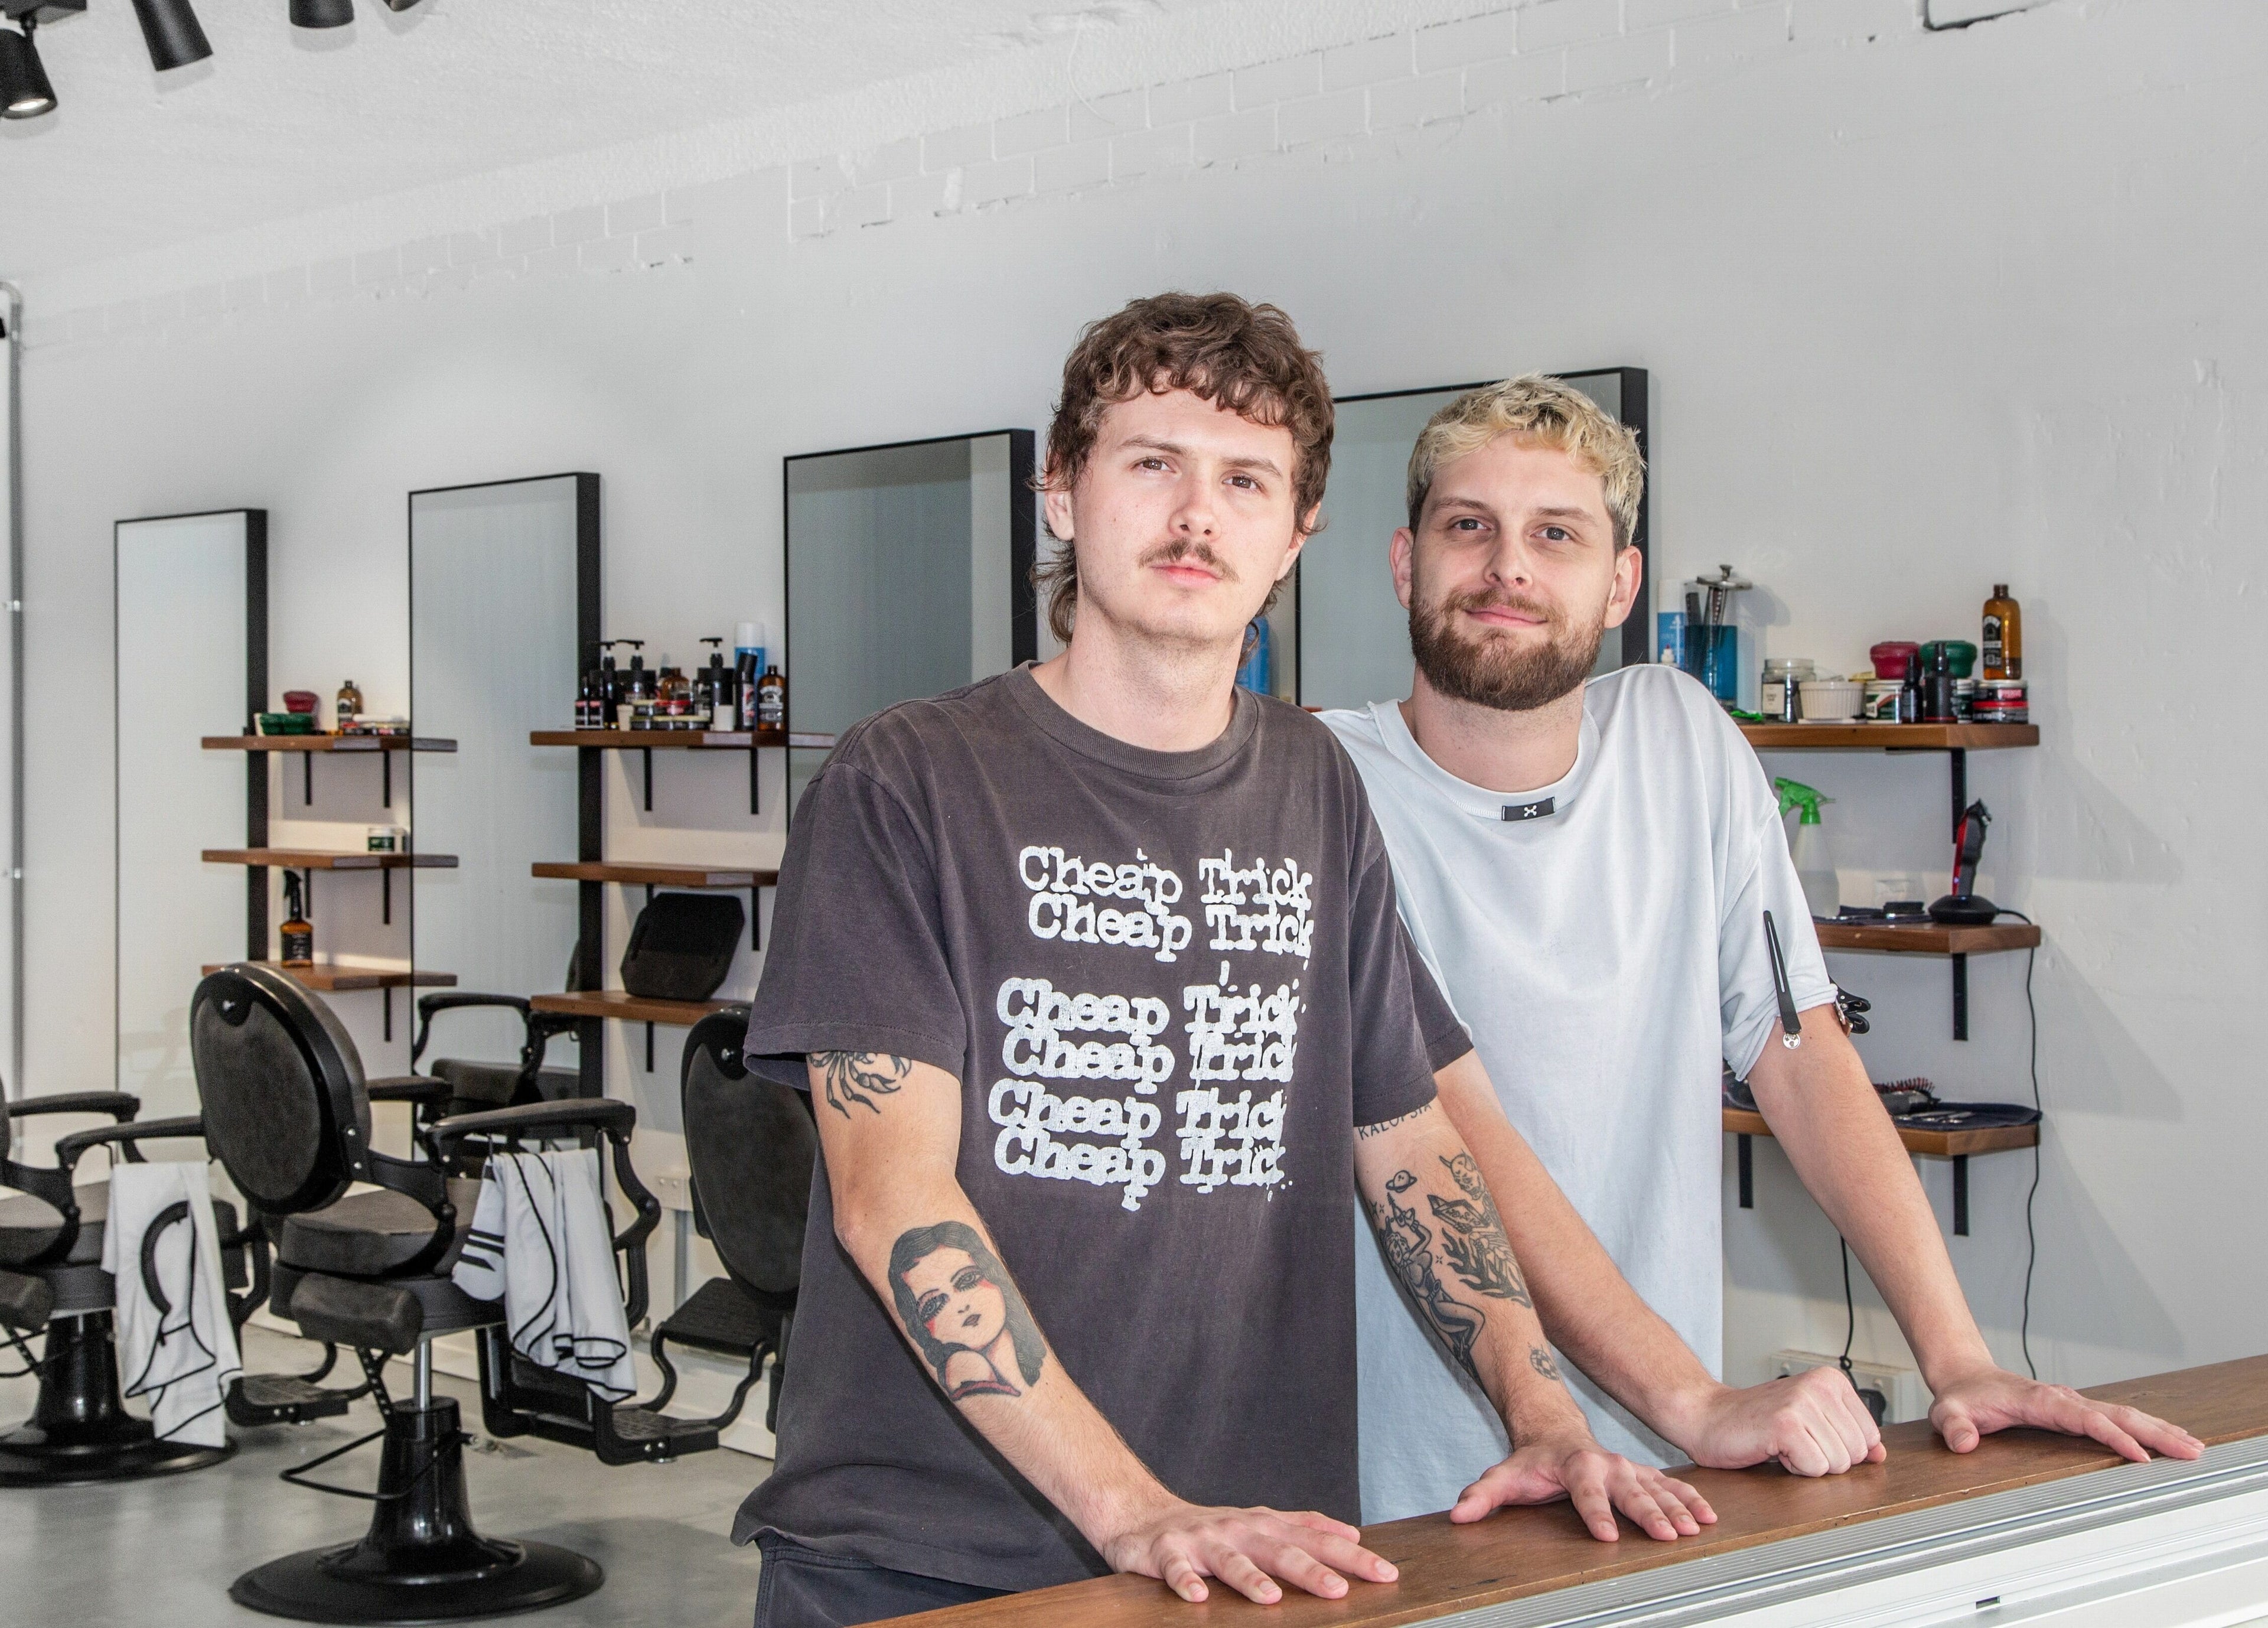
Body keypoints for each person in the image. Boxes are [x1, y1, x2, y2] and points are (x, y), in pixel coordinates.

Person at [732, 299, 1710, 1628]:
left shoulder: (1312, 783)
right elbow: (888, 1194)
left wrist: (1539, 1407)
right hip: (927, 1560)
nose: (1199, 514)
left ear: (1298, 534)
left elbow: (1406, 1135)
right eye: (1153, 463)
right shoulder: (907, 779)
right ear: (1064, 494)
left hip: (1259, 1553)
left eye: (1246, 480)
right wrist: (1132, 1506)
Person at [1321, 375, 2206, 1524]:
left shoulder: (1682, 737)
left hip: (1678, 1475)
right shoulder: (1327, 786)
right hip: (1414, 1496)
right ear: (1405, 563)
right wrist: (1694, 1399)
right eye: (1468, 526)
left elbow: (1801, 1053)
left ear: (1620, 584)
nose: (1508, 569)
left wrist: (1960, 1359)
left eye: (1556, 533)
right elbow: (1455, 1127)